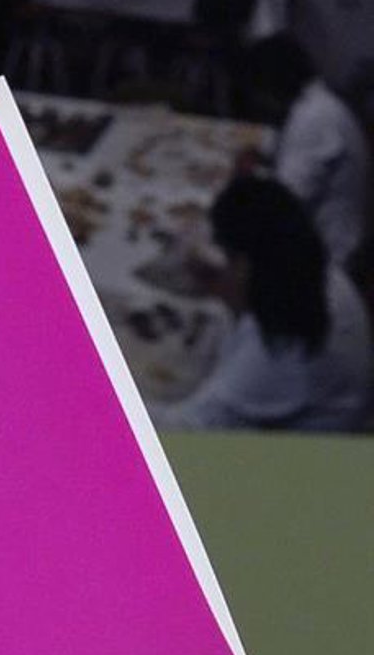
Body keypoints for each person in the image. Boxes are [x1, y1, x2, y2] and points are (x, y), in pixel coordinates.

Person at [154, 174, 372, 435]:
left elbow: (182, 432)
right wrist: (222, 286)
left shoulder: (284, 341)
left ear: (243, 265)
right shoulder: (307, 268)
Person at [240, 31, 369, 270]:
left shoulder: (314, 119)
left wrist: (245, 178)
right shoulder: (312, 102)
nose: (258, 102)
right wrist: (262, 159)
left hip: (330, 253)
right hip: (318, 231)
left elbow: (281, 203)